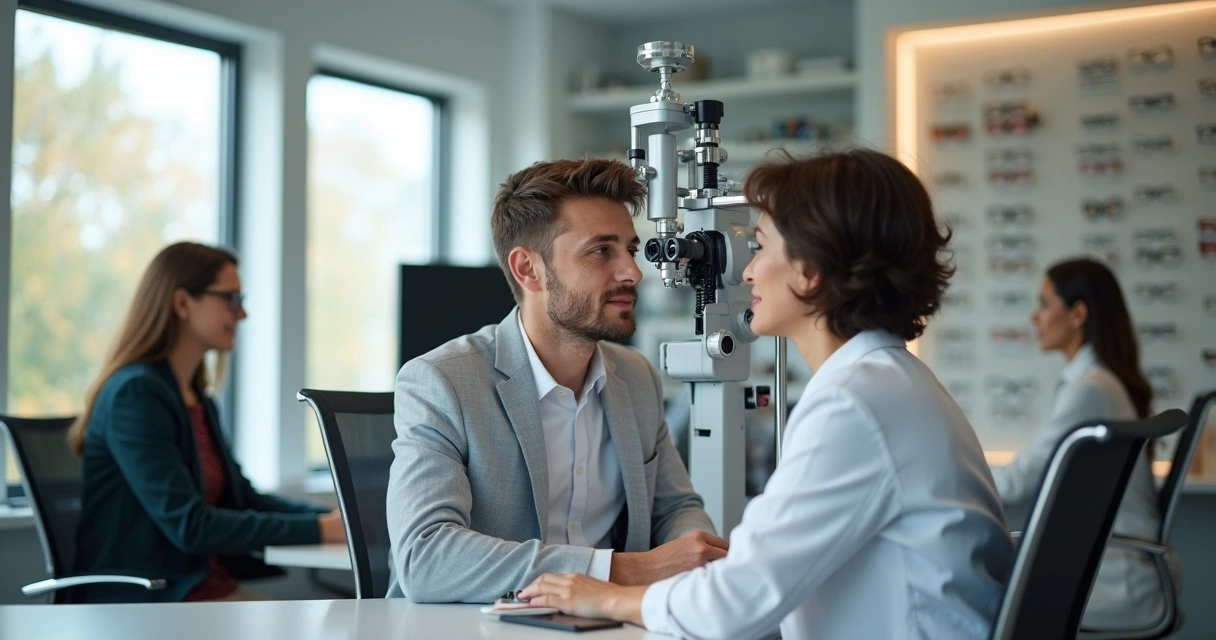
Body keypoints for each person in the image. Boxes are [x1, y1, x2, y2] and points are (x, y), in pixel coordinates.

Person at [518, 149, 1015, 639]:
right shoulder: (893, 382)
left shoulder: (854, 403)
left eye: (760, 246)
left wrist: (602, 595)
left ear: (811, 268)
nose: (747, 272)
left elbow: (735, 603)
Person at [385, 158, 723, 603]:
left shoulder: (637, 377)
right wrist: (620, 570)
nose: (633, 272)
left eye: (631, 249)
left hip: (610, 626)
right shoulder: (441, 381)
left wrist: (694, 555)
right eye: (602, 251)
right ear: (528, 269)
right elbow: (425, 557)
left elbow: (676, 509)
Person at [69, 242, 345, 603]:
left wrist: (334, 518)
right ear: (182, 303)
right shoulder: (136, 395)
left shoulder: (196, 397)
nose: (242, 313)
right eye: (230, 299)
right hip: (149, 602)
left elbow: (244, 499)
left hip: (202, 590)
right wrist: (320, 530)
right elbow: (191, 525)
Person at [990, 258, 1176, 630]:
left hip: (1117, 574)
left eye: (1044, 304)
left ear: (1077, 314)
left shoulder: (1090, 388)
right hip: (1118, 565)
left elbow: (1020, 483)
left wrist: (950, 471)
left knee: (974, 589)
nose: (1034, 318)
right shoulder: (1098, 381)